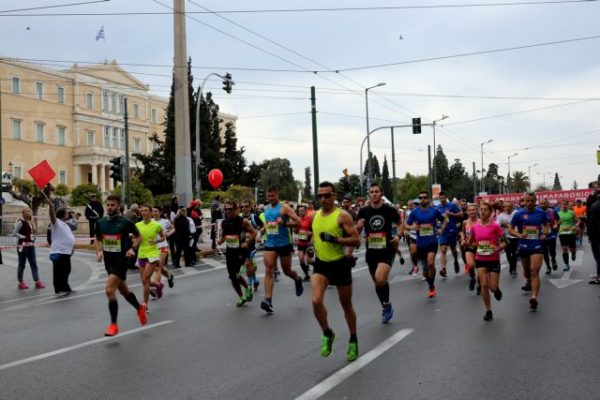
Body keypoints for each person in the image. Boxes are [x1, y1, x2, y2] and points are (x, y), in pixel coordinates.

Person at [311, 182, 361, 361]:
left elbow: (356, 240)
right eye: (320, 196)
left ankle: (353, 339)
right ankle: (327, 333)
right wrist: (311, 248)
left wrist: (335, 240)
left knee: (346, 305)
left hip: (340, 264)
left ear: (334, 196)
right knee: (316, 301)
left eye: (327, 195)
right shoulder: (315, 216)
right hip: (321, 264)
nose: (323, 199)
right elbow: (314, 237)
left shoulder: (343, 216)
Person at [95, 194, 147, 336]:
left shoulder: (125, 221)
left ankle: (113, 325)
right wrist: (99, 251)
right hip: (109, 261)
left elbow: (139, 237)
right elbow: (98, 238)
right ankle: (139, 308)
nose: (110, 207)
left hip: (122, 260)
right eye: (108, 205)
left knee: (109, 290)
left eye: (113, 205)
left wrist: (132, 248)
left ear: (118, 206)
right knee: (124, 291)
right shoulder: (100, 222)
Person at [355, 182, 400, 323]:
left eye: (376, 191)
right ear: (369, 194)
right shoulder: (363, 211)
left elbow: (400, 224)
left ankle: (386, 306)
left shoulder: (389, 210)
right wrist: (358, 227)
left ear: (381, 194)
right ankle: (386, 305)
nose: (374, 194)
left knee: (380, 278)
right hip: (371, 252)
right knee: (378, 283)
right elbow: (356, 231)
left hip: (387, 250)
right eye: (371, 192)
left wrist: (398, 236)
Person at [260, 186, 304, 314]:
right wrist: (262, 231)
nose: (270, 198)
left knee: (286, 271)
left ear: (277, 195)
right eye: (268, 196)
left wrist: (284, 223)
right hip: (270, 243)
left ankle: (297, 279)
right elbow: (268, 224)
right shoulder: (267, 211)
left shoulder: (284, 208)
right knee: (269, 269)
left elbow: (298, 222)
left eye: (272, 196)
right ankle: (268, 300)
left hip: (284, 243)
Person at [510, 191, 550, 311]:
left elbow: (547, 225)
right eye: (527, 201)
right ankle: (527, 281)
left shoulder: (540, 212)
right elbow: (511, 229)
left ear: (535, 201)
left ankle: (534, 297)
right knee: (527, 273)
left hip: (537, 245)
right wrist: (518, 234)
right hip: (523, 246)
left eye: (532, 201)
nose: (530, 203)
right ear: (524, 201)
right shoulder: (518, 214)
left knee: (534, 271)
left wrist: (544, 233)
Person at [468, 202, 506, 321]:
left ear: (490, 212)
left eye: (486, 210)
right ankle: (488, 310)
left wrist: (499, 247)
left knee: (492, 287)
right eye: (481, 209)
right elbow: (471, 242)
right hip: (480, 259)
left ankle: (496, 289)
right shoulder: (474, 227)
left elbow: (504, 241)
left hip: (493, 259)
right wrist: (469, 244)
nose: (483, 211)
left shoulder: (495, 226)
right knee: (484, 285)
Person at [406, 191, 447, 298]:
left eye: (424, 198)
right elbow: (406, 224)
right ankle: (430, 285)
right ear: (419, 200)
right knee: (425, 272)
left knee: (430, 263)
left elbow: (445, 219)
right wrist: (412, 228)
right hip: (421, 243)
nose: (422, 199)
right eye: (420, 198)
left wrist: (441, 229)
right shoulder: (415, 212)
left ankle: (432, 285)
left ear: (428, 199)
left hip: (432, 241)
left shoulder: (434, 211)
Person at [218, 200, 257, 307]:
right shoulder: (224, 222)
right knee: (231, 276)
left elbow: (254, 232)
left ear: (235, 210)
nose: (228, 211)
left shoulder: (242, 221)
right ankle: (242, 297)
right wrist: (220, 240)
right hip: (230, 252)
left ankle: (248, 287)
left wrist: (247, 242)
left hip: (241, 252)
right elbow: (223, 235)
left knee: (236, 274)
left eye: (230, 209)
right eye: (226, 209)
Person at [135, 205, 165, 305]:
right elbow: (135, 238)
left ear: (150, 212)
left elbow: (163, 237)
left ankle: (144, 305)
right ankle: (158, 285)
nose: (144, 212)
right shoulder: (137, 225)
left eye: (146, 210)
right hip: (141, 254)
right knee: (144, 281)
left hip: (152, 254)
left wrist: (156, 241)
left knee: (145, 279)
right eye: (142, 211)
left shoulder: (156, 225)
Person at [13, 207, 45, 290]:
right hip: (22, 245)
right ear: (23, 213)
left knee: (33, 263)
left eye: (29, 211)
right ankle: (20, 282)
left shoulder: (31, 222)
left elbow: (33, 232)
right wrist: (23, 236)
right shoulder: (20, 222)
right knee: (22, 264)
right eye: (26, 211)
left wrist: (33, 236)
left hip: (31, 245)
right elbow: (14, 233)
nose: (28, 212)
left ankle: (37, 281)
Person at [48, 201, 76, 295]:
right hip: (59, 251)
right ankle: (61, 288)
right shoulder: (57, 223)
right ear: (62, 214)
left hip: (66, 251)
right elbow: (52, 217)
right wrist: (51, 208)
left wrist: (71, 248)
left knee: (66, 270)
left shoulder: (65, 224)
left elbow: (68, 237)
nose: (68, 214)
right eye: (67, 212)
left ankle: (63, 287)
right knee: (60, 271)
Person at [435, 191, 462, 277]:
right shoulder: (438, 208)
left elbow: (460, 214)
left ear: (446, 197)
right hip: (443, 232)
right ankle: (443, 269)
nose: (442, 199)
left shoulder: (452, 205)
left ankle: (456, 260)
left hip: (452, 230)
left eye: (443, 198)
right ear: (439, 199)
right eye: (440, 198)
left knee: (453, 249)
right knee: (443, 250)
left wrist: (452, 214)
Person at [241, 199, 263, 293]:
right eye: (242, 206)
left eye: (246, 206)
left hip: (252, 246)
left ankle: (249, 285)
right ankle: (255, 281)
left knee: (247, 264)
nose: (244, 208)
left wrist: (259, 235)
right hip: (242, 245)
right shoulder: (239, 218)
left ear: (250, 208)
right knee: (248, 265)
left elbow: (263, 226)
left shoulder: (254, 217)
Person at [151, 206, 175, 291]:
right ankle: (169, 275)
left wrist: (168, 234)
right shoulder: (150, 221)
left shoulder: (165, 221)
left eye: (156, 211)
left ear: (160, 212)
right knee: (156, 266)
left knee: (159, 266)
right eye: (153, 211)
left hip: (163, 246)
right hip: (153, 247)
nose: (154, 213)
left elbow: (173, 228)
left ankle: (155, 287)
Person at [460, 204, 479, 292]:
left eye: (473, 210)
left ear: (477, 211)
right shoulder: (465, 222)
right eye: (470, 210)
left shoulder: (481, 222)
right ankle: (472, 278)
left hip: (480, 247)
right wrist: (463, 239)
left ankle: (480, 286)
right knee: (471, 265)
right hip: (469, 246)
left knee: (480, 268)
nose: (472, 212)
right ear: (467, 212)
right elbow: (463, 232)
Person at [496, 202, 518, 276]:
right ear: (504, 208)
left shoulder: (516, 213)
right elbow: (497, 226)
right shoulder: (501, 216)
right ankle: (512, 266)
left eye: (510, 206)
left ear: (512, 207)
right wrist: (502, 224)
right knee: (508, 253)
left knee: (515, 253)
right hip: (506, 237)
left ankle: (513, 268)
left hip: (516, 236)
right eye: (506, 206)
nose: (508, 208)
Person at [556, 199, 578, 272]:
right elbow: (556, 223)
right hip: (562, 233)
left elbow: (578, 221)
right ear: (560, 205)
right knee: (564, 249)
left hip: (571, 232)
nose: (564, 206)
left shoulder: (571, 213)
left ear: (567, 205)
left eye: (565, 204)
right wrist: (557, 224)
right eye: (562, 204)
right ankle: (566, 265)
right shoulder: (558, 213)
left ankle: (573, 253)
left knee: (572, 249)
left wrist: (576, 226)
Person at [540, 199, 559, 274]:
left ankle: (553, 260)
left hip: (552, 234)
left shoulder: (553, 211)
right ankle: (548, 266)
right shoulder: (537, 212)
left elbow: (559, 219)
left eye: (544, 203)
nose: (543, 205)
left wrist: (556, 225)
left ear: (547, 204)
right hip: (542, 235)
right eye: (541, 204)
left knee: (552, 251)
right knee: (544, 252)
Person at [296, 204, 313, 282]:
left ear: (306, 211)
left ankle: (317, 267)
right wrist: (295, 232)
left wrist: (310, 233)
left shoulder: (309, 219)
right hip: (300, 243)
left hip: (308, 243)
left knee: (308, 261)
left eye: (302, 211)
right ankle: (307, 275)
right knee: (301, 260)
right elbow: (296, 231)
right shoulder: (297, 219)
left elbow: (315, 230)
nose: (301, 212)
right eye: (299, 211)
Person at [587, 190, 600, 284]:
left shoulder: (594, 206)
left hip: (596, 234)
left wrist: (590, 236)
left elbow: (591, 223)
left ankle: (599, 276)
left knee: (598, 255)